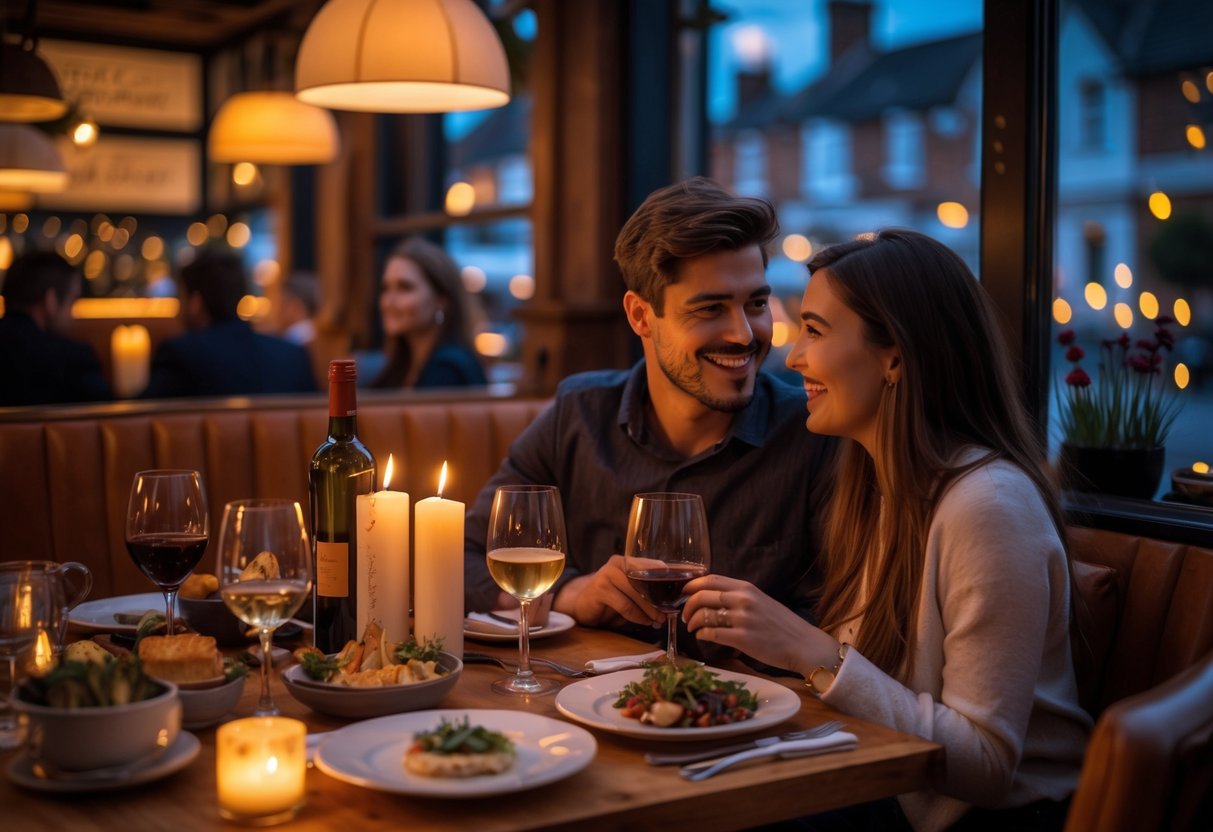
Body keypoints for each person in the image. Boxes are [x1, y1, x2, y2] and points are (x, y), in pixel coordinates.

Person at [684, 230, 1091, 830]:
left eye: (815, 331)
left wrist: (811, 652)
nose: (792, 357)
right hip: (887, 790)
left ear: (895, 357)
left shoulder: (989, 506)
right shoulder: (877, 485)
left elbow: (985, 764)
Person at [464, 177, 836, 665]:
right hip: (583, 704)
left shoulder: (812, 434)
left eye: (756, 304)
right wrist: (572, 593)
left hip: (755, 710)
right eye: (711, 308)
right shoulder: (580, 415)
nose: (744, 334)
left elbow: (847, 624)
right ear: (641, 315)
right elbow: (464, 558)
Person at [141, 252, 316, 398]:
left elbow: (142, 416)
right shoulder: (292, 355)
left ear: (195, 302)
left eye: (181, 297)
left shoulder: (180, 355)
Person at [367, 237, 486, 389]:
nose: (389, 302)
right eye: (385, 288)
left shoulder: (448, 369)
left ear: (441, 300)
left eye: (404, 288)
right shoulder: (403, 365)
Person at [0, 250, 111, 406]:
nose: (73, 315)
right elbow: (107, 413)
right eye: (72, 301)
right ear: (50, 301)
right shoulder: (74, 361)